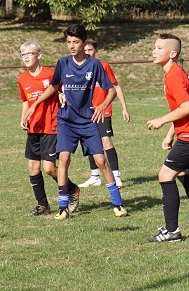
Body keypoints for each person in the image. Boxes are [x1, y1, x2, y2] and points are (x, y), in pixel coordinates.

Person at [21, 23, 127, 219]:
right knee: (63, 159)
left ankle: (117, 203)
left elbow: (111, 90)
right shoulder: (62, 63)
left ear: (84, 43)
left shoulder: (94, 64)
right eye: (68, 41)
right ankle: (63, 207)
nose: (71, 45)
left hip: (88, 121)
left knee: (100, 160)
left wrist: (103, 105)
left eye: (76, 42)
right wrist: (35, 105)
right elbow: (53, 87)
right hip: (66, 121)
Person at [145, 34, 189, 242]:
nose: (154, 51)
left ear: (172, 54)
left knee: (165, 175)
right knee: (183, 173)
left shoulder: (174, 76)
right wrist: (171, 134)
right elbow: (184, 110)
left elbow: (187, 108)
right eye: (154, 47)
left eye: (159, 48)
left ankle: (172, 231)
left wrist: (161, 120)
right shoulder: (175, 73)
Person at [17, 40, 82, 215]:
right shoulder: (22, 78)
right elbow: (25, 100)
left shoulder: (50, 74)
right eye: (23, 55)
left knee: (49, 168)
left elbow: (64, 89)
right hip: (34, 126)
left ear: (39, 55)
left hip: (51, 126)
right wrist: (24, 117)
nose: (26, 57)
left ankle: (72, 189)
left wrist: (62, 94)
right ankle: (43, 206)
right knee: (33, 167)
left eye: (29, 54)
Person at [79, 39, 130, 190]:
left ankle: (116, 176)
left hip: (103, 110)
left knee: (106, 141)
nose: (87, 53)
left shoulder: (104, 66)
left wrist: (124, 108)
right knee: (89, 142)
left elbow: (116, 87)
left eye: (90, 50)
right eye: (85, 50)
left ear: (96, 50)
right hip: (86, 112)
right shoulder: (80, 68)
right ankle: (95, 177)